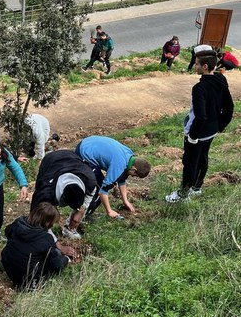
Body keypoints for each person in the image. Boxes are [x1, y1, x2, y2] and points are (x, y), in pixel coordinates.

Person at [165, 49, 233, 203]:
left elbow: (200, 115)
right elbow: (229, 107)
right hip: (211, 130)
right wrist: (219, 126)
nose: (194, 66)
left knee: (190, 162)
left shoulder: (199, 88)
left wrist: (192, 136)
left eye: (196, 64)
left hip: (198, 133)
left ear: (205, 67)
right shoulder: (221, 80)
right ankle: (197, 188)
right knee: (203, 158)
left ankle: (183, 194)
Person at [74, 136, 151, 219]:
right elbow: (103, 191)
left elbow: (122, 179)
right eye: (135, 175)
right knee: (96, 188)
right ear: (134, 169)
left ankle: (84, 212)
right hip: (84, 153)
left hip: (89, 143)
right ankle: (82, 217)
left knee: (99, 183)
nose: (132, 176)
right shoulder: (119, 166)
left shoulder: (130, 157)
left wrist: (125, 201)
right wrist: (109, 211)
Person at [1, 202, 72, 290]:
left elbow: (7, 232)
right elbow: (56, 265)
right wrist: (65, 259)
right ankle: (32, 286)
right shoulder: (45, 238)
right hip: (28, 279)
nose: (52, 225)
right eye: (52, 223)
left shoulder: (19, 222)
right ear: (47, 222)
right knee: (56, 253)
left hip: (8, 265)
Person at [30, 150, 97, 239]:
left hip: (70, 156)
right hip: (50, 160)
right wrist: (54, 242)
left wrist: (81, 210)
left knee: (92, 204)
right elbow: (36, 214)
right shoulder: (45, 191)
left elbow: (91, 192)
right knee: (42, 213)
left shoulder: (90, 180)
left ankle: (69, 229)